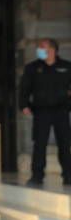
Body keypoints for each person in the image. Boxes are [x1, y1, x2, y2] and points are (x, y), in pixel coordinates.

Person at [19, 38, 71, 186]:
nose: (39, 50)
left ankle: (68, 175)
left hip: (61, 110)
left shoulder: (66, 67)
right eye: (39, 47)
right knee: (39, 144)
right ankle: (37, 176)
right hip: (41, 111)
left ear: (52, 50)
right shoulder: (33, 68)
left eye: (42, 47)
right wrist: (24, 105)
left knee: (65, 144)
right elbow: (24, 88)